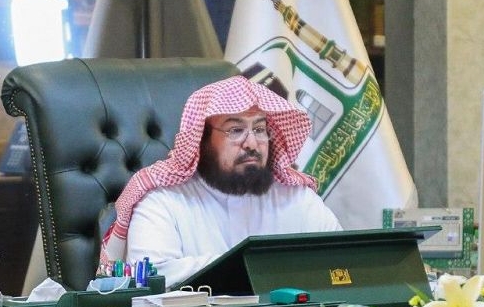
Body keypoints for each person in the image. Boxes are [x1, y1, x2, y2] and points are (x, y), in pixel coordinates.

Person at [99, 75, 342, 287]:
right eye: (235, 130)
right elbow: (154, 277)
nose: (252, 143)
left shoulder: (296, 197)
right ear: (202, 140)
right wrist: (260, 267)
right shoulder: (162, 201)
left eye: (259, 129)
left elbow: (344, 260)